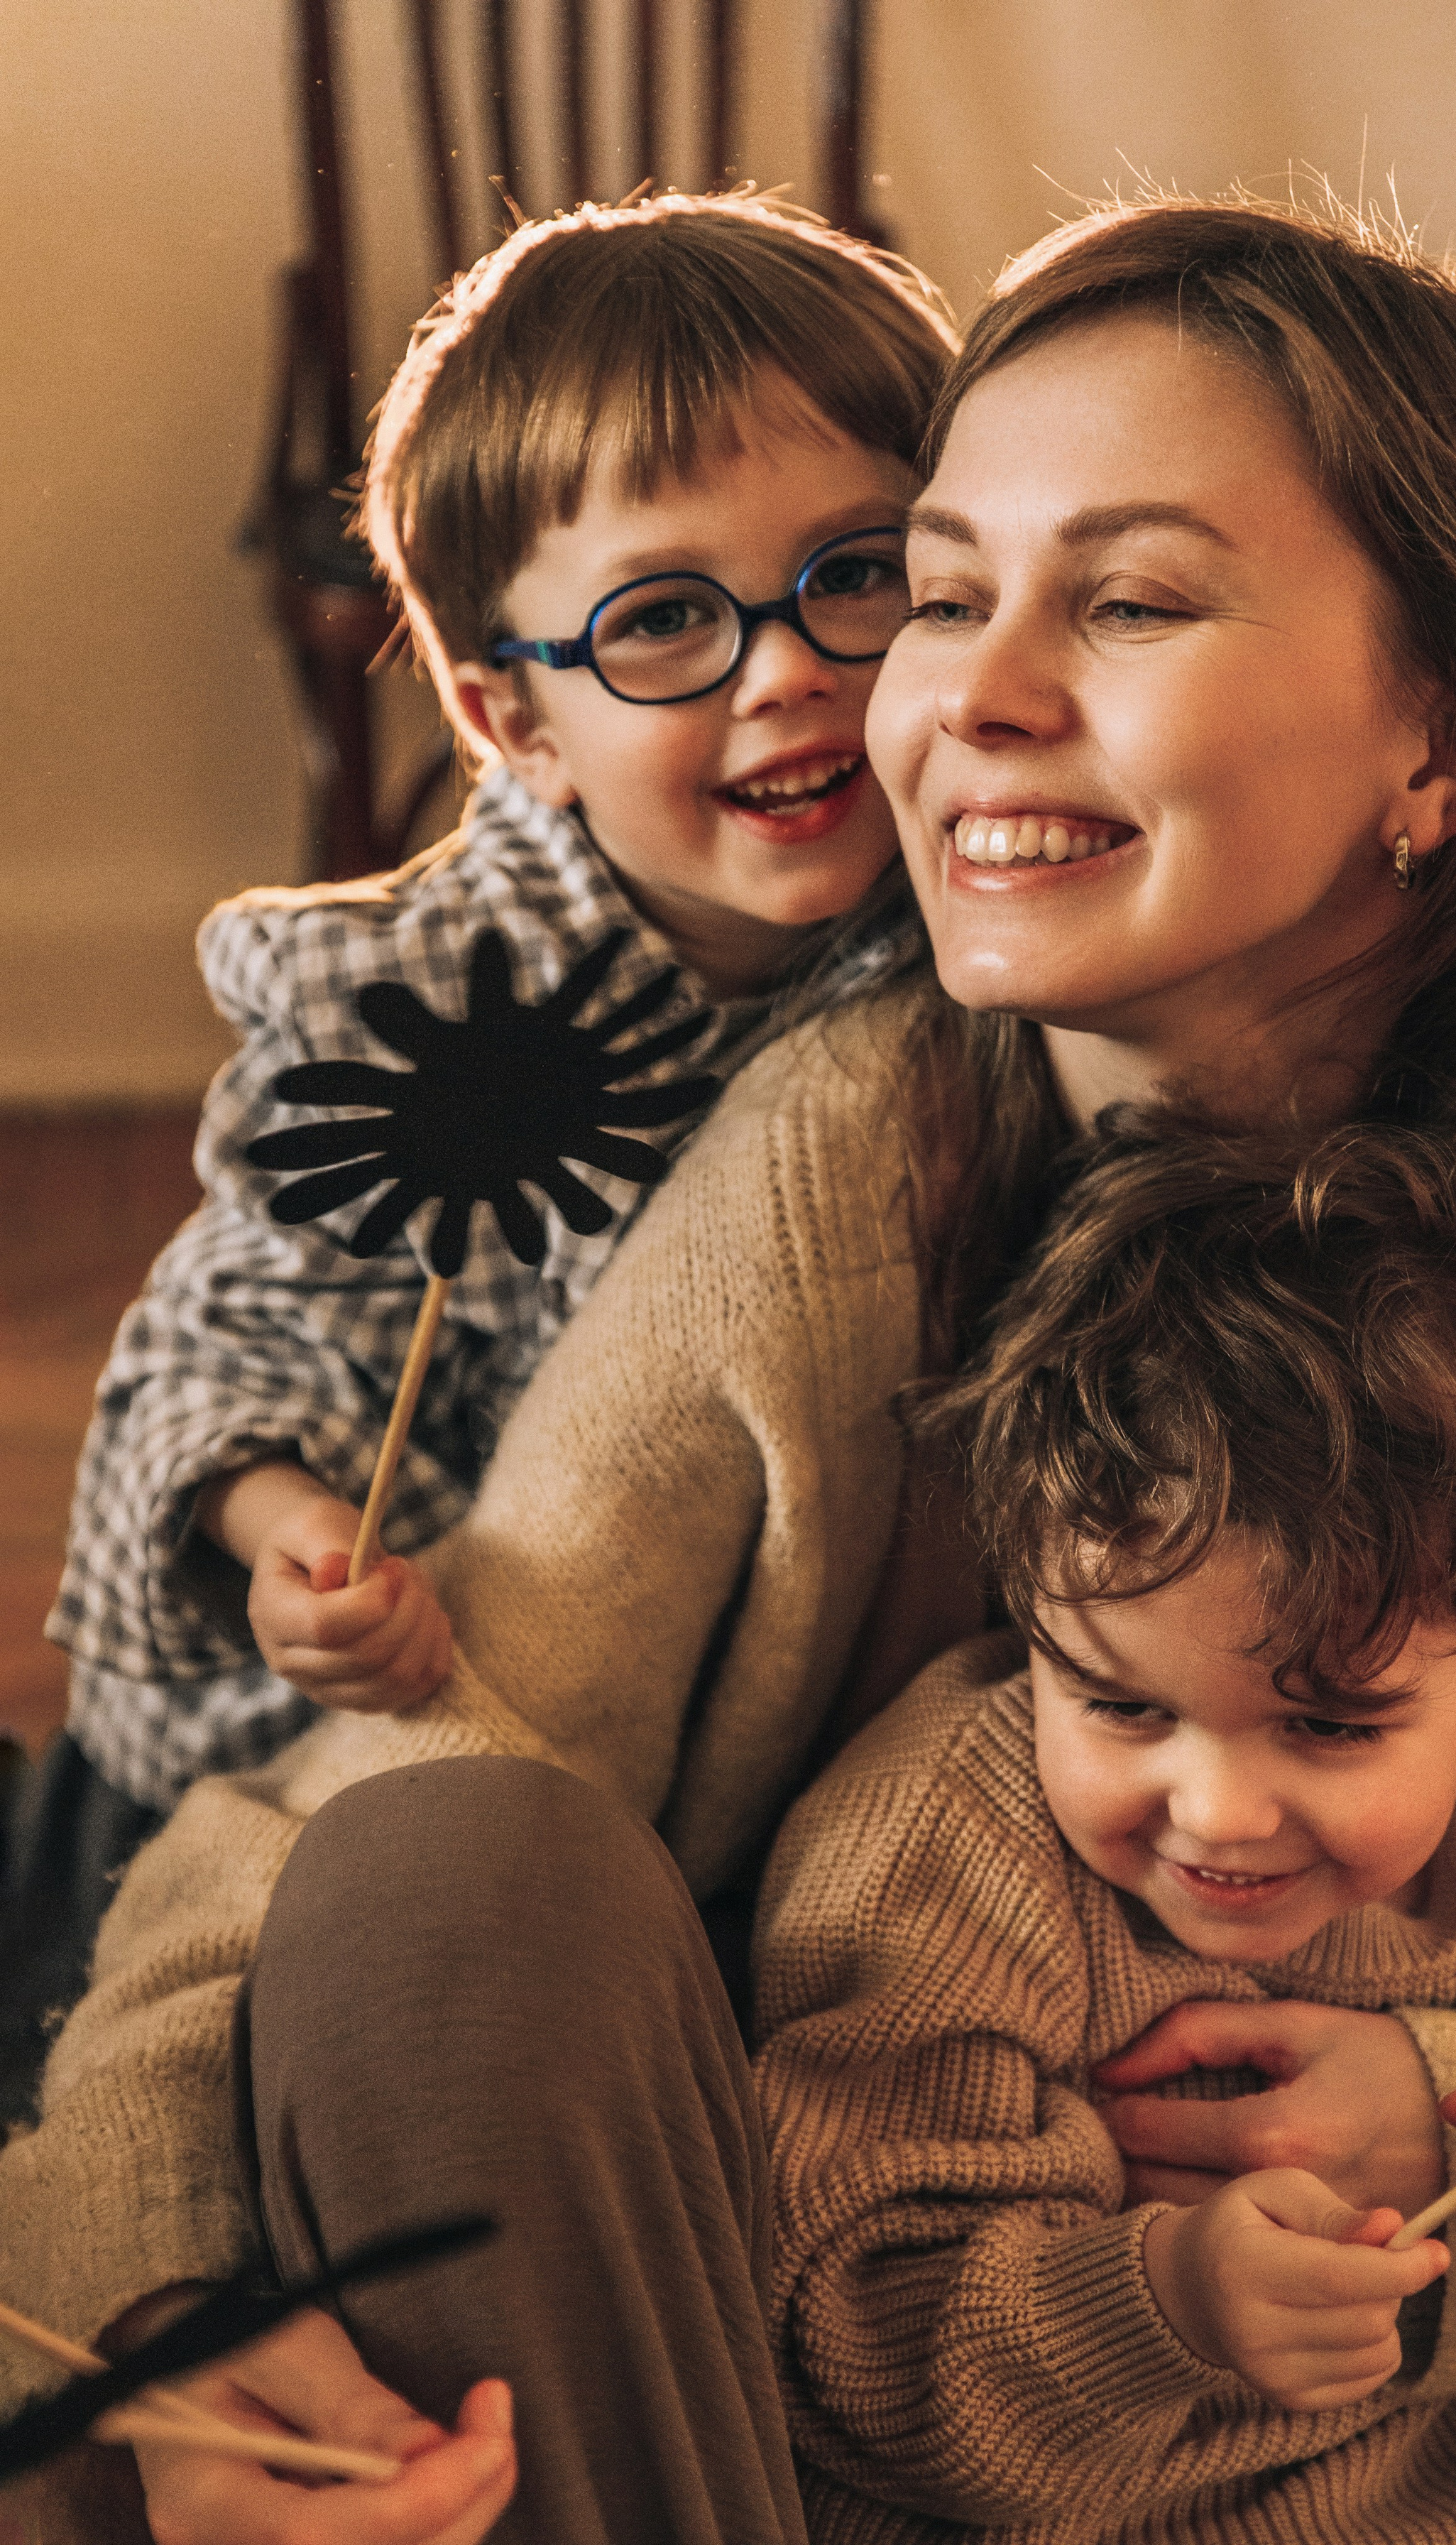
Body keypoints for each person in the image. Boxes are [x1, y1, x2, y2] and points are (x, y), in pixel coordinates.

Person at [6, 192, 1456, 2544]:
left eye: (1133, 597)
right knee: (434, 1876)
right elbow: (392, 1768)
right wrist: (161, 2312)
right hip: (788, 2333)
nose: (962, 697)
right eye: (942, 590)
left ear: (1440, 739)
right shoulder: (857, 1138)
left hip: (1363, 2414)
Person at [0, 187, 956, 2125]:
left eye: (856, 575)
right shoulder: (413, 1001)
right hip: (326, 1720)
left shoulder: (967, 931)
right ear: (506, 713)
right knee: (126, 2072)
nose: (785, 672)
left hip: (698, 1688)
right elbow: (213, 1353)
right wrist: (290, 1546)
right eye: (667, 617)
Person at [753, 1116, 1456, 2543]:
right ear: (1027, 1604)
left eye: (1325, 1725)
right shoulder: (942, 1847)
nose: (1215, 1812)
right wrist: (1161, 2304)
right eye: (1119, 1705)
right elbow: (834, 2354)